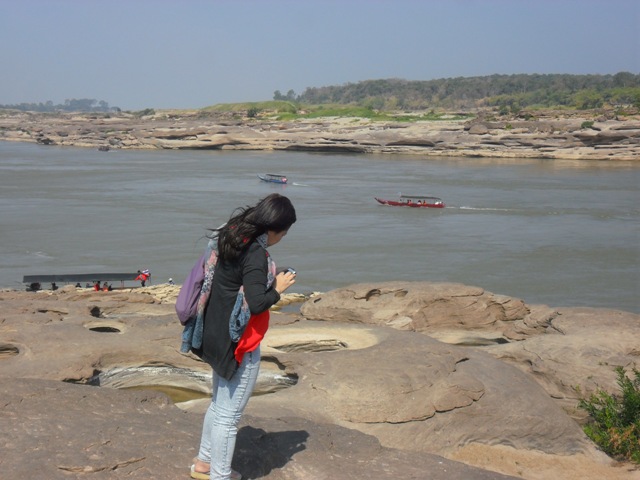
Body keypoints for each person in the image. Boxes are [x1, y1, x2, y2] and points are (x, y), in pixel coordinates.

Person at [191, 193, 296, 480]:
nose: (282, 238)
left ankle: (204, 463)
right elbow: (257, 303)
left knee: (218, 405)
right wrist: (279, 288)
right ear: (274, 229)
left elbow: (234, 281)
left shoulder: (231, 235)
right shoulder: (255, 254)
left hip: (214, 333)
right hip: (239, 343)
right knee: (228, 417)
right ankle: (219, 475)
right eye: (283, 233)